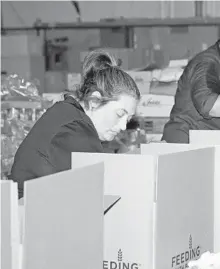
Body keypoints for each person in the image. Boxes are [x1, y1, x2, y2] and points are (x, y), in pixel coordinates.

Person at [10, 49, 140, 198]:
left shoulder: (67, 113)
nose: (123, 126)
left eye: (128, 119)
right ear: (94, 101)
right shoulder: (75, 130)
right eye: (120, 114)